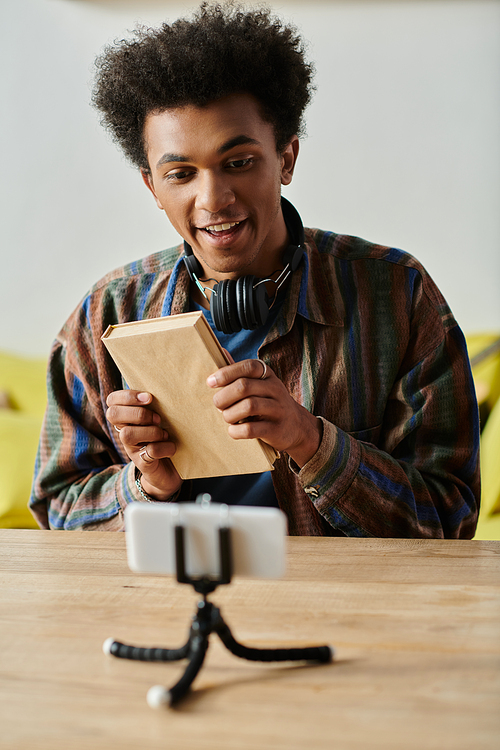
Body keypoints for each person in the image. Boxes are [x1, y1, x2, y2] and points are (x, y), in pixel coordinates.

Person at [29, 3, 480, 537]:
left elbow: (451, 518)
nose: (213, 199)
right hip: (166, 610)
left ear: (285, 159)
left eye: (238, 163)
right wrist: (146, 484)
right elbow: (57, 510)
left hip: (338, 613)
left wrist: (312, 442)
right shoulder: (107, 313)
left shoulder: (398, 295)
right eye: (180, 174)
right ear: (152, 187)